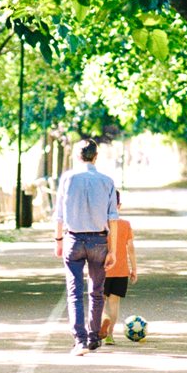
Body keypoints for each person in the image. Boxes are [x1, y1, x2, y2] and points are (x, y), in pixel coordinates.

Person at [53, 138, 119, 356]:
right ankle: (93, 338)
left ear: (77, 156)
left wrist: (58, 241)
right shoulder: (107, 181)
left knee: (74, 292)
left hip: (73, 239)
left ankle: (79, 341)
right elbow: (113, 219)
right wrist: (113, 250)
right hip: (99, 240)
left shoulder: (67, 179)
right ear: (96, 156)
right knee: (96, 291)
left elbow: (59, 214)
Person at [99, 190, 137, 344]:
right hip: (121, 270)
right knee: (114, 303)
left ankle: (103, 319)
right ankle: (109, 335)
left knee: (99, 301)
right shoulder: (125, 225)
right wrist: (134, 269)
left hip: (102, 270)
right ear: (119, 206)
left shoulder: (99, 226)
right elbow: (131, 248)